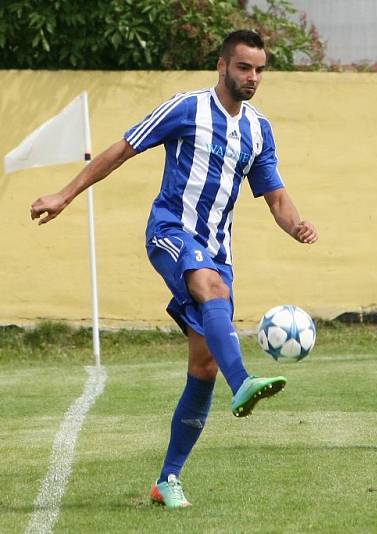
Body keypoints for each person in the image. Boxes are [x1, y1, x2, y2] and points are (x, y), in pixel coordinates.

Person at [30, 30, 318, 508]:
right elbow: (122, 149)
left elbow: (276, 196)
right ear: (222, 66)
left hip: (218, 249)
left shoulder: (258, 129)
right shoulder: (186, 108)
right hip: (170, 231)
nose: (252, 77)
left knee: (202, 364)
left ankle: (168, 479)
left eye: (260, 70)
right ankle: (243, 379)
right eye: (244, 67)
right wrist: (64, 194)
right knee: (211, 291)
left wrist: (297, 226)